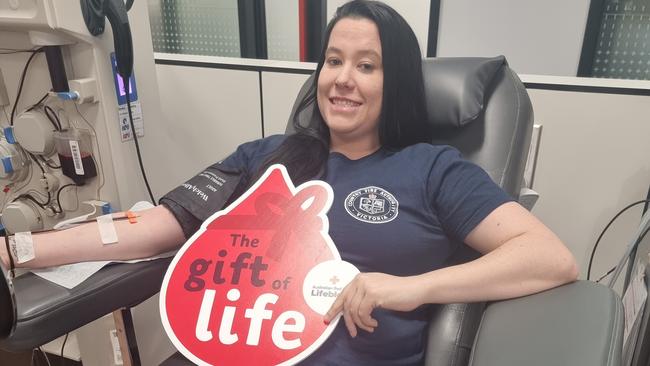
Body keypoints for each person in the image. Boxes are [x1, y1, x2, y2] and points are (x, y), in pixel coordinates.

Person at [1, 1, 577, 364]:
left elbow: (549, 258)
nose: (342, 80)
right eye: (332, 61)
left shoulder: (431, 168)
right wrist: (19, 250)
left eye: (366, 65)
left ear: (395, 81)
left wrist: (411, 288)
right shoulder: (271, 156)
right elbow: (158, 225)